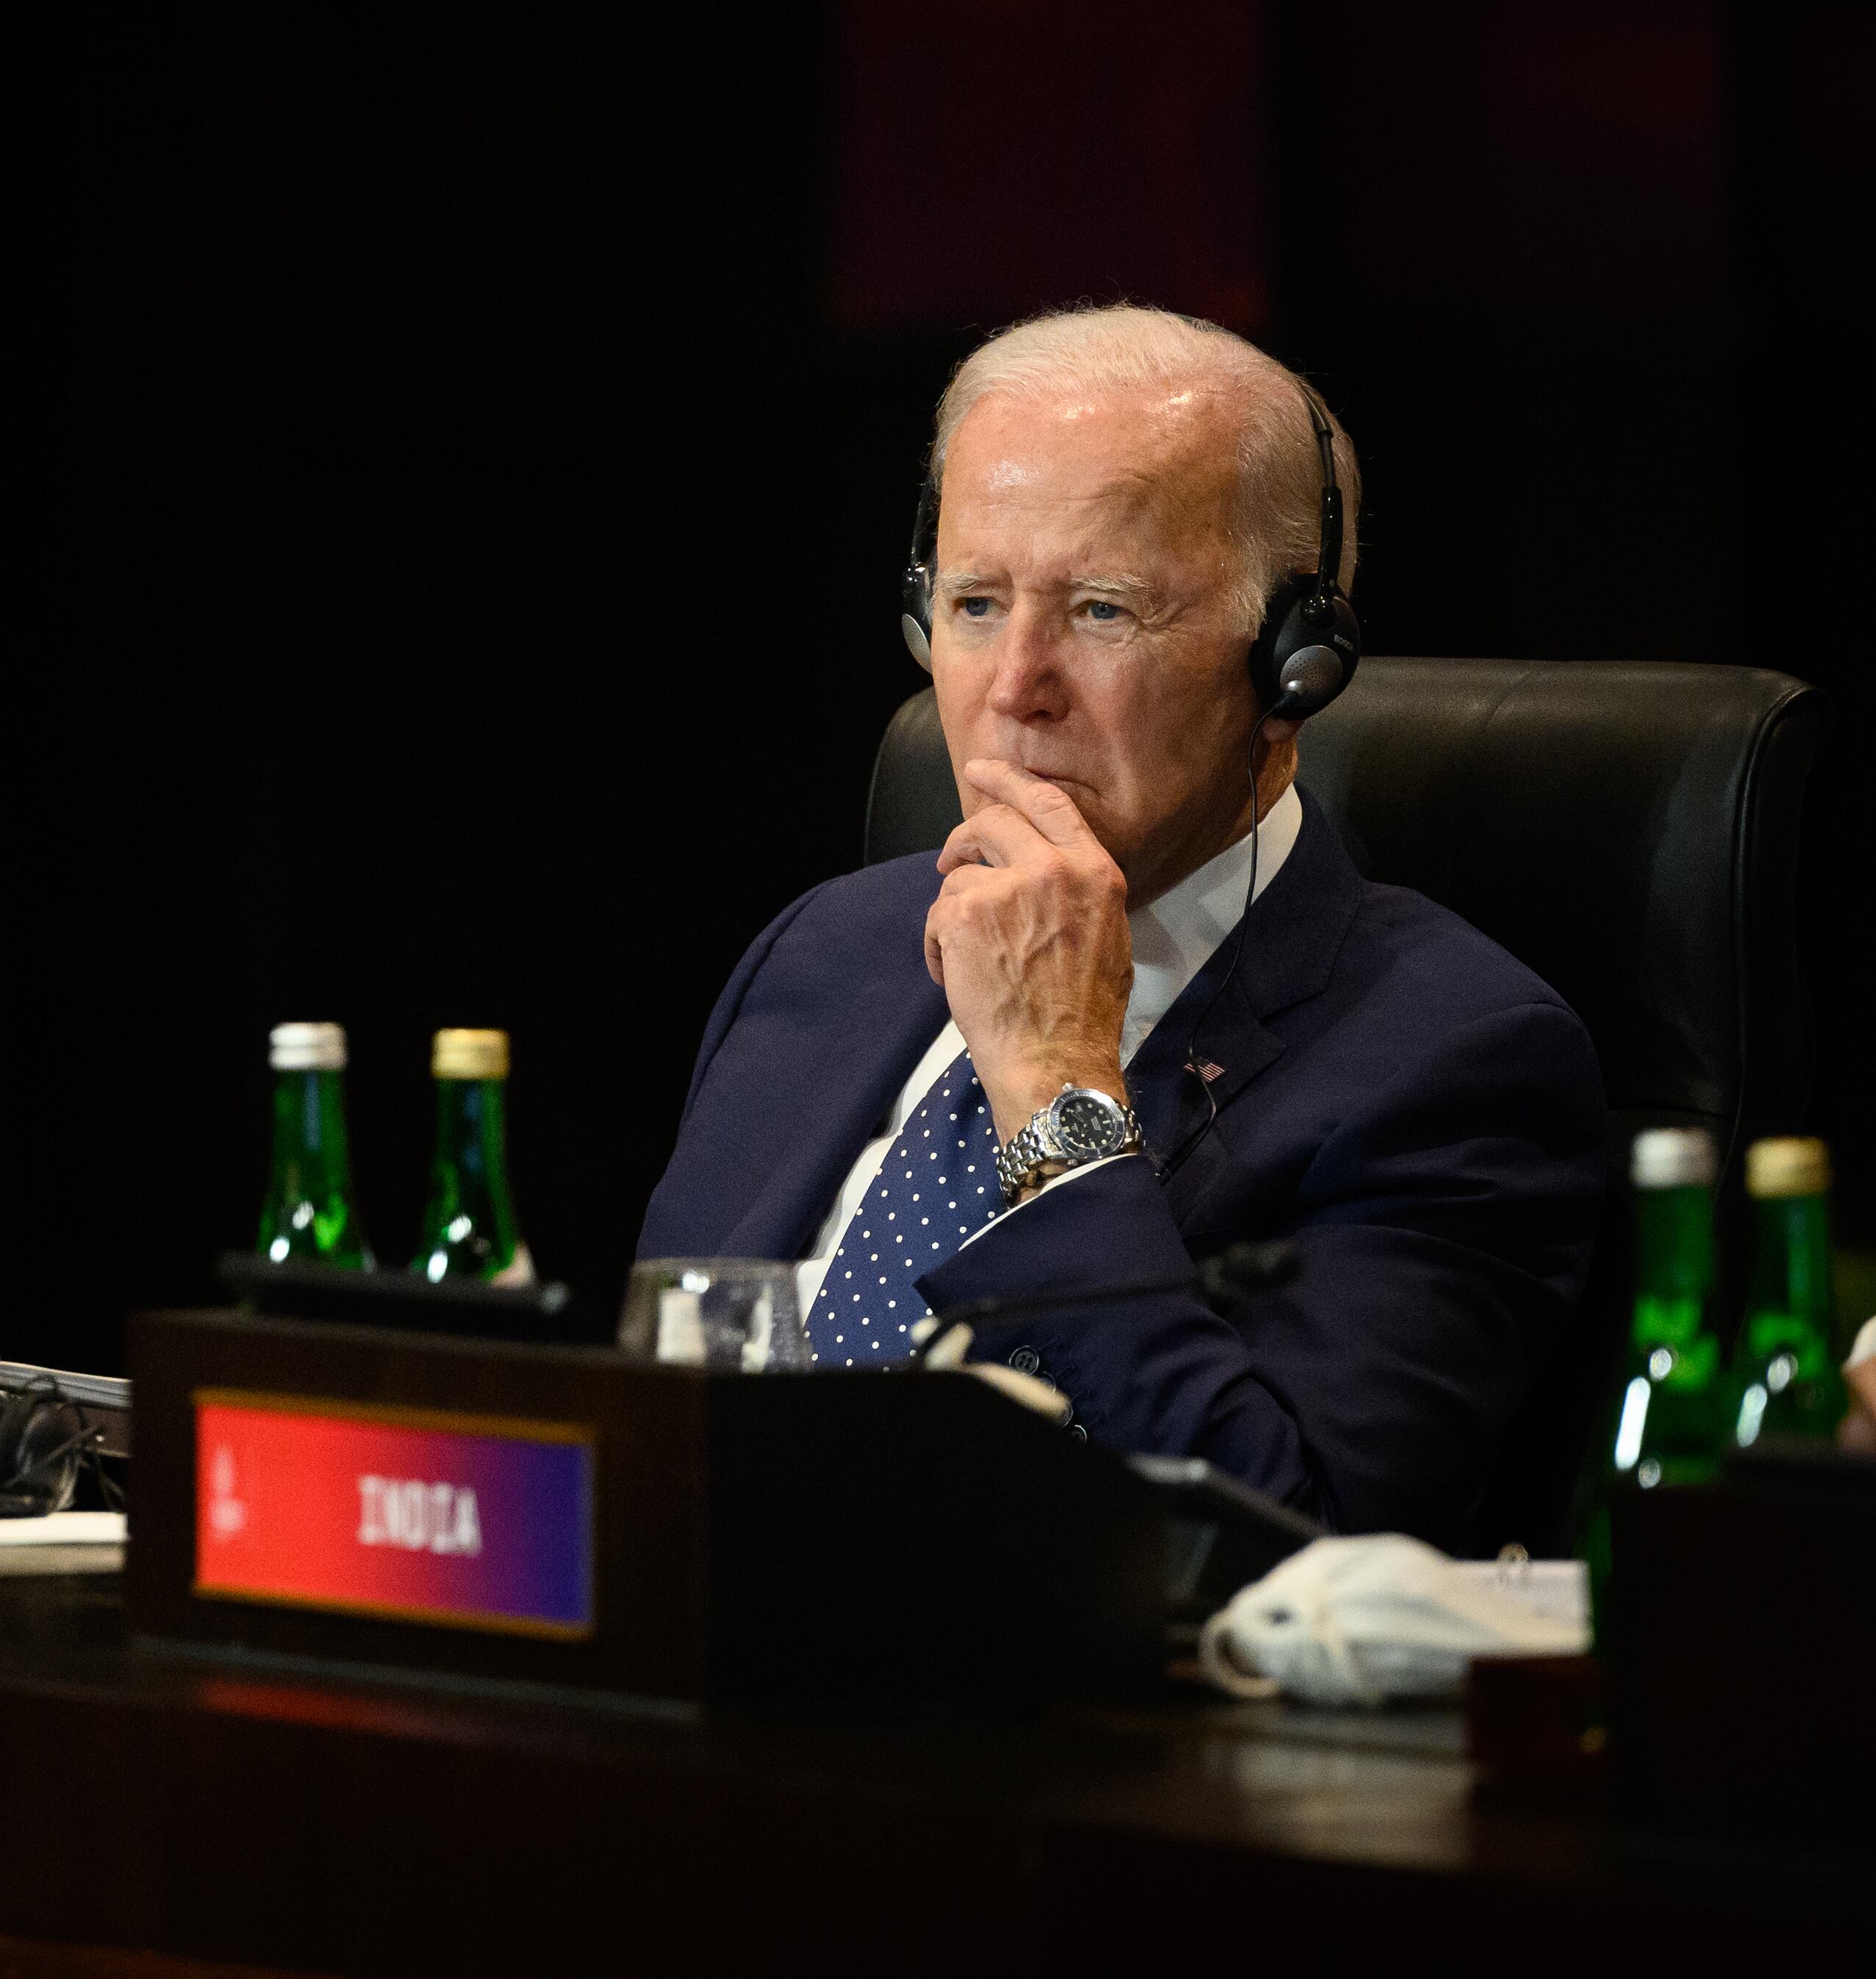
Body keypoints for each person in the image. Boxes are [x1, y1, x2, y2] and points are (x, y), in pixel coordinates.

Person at [636, 305, 1604, 1546]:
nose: (1012, 688)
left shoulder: (1456, 1062)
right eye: (977, 605)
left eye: (1102, 611)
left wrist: (1053, 1085)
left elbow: (1274, 1539)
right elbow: (649, 1432)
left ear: (1294, 664)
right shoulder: (825, 954)